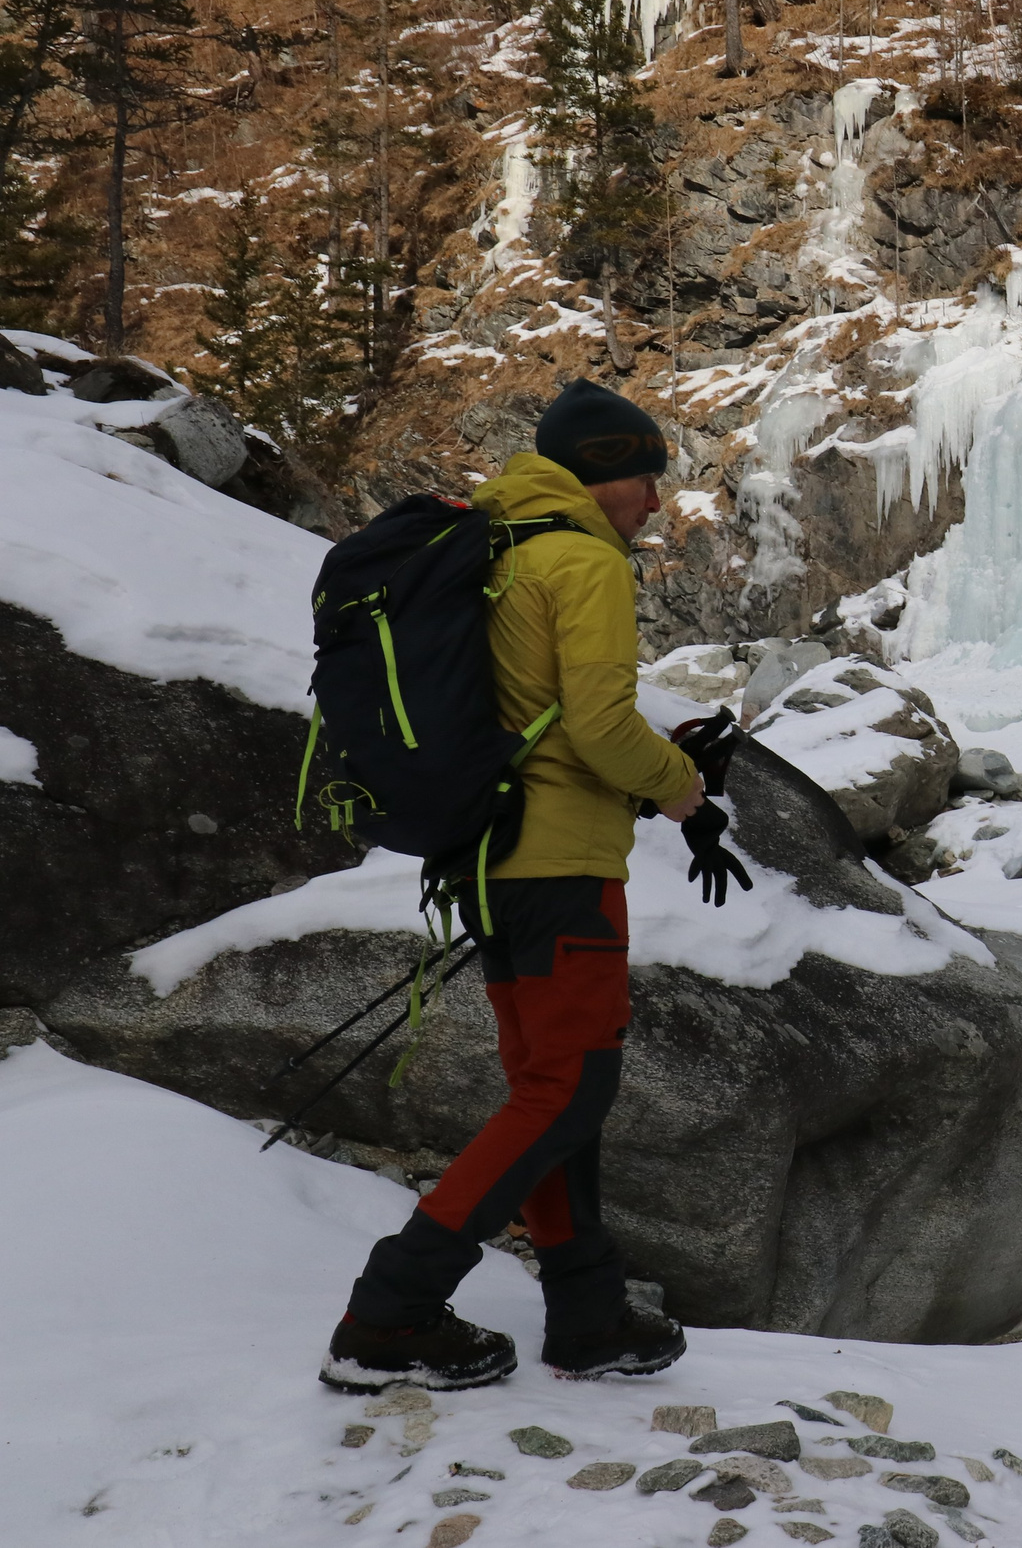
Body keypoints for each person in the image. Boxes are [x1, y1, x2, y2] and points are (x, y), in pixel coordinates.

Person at [321, 380, 705, 1393]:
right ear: (598, 471)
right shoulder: (583, 558)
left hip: (486, 860)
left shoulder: (497, 543)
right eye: (643, 477)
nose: (653, 501)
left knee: (553, 1090)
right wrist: (682, 788)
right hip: (559, 863)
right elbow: (600, 728)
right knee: (569, 1089)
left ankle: (588, 1313)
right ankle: (389, 1313)